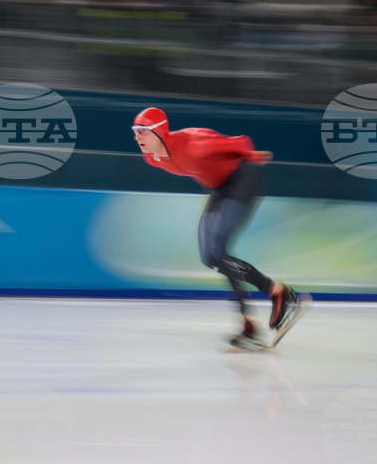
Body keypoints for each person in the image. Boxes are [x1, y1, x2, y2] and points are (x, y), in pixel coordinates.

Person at [132, 107, 307, 349]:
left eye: (142, 131)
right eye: (135, 131)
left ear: (159, 131)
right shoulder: (153, 158)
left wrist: (250, 154)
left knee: (218, 250)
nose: (137, 137)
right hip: (219, 190)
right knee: (209, 257)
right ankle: (275, 295)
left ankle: (253, 319)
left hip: (242, 182)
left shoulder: (193, 142)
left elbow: (239, 141)